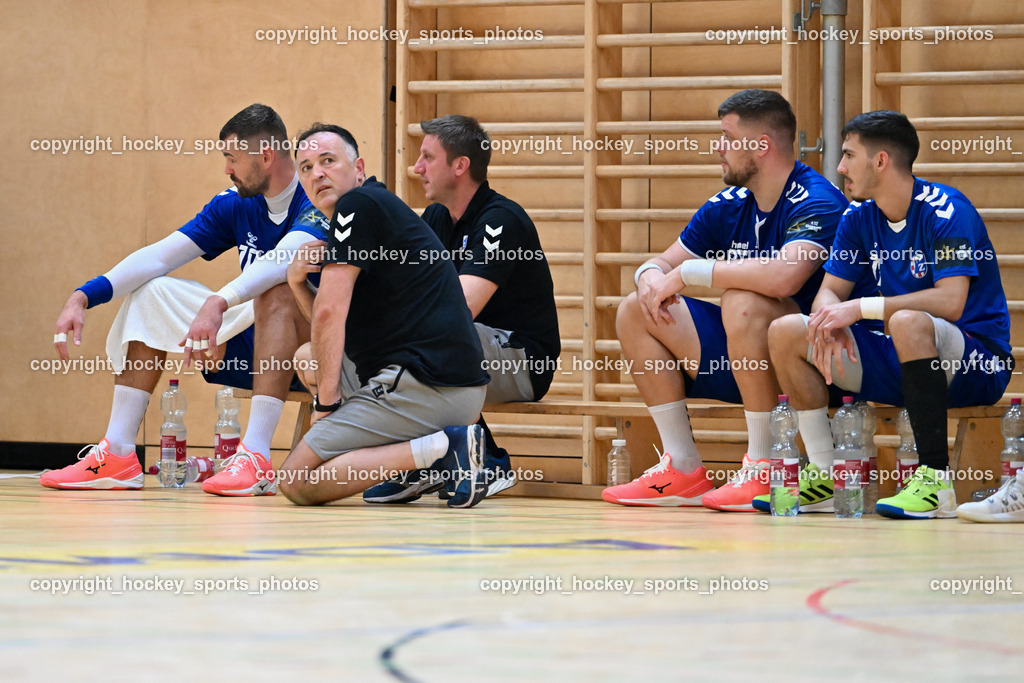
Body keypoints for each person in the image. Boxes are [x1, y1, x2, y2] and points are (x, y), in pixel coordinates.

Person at [44, 103, 326, 496]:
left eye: (232, 158)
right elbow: (160, 255)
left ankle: (257, 456)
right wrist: (83, 296)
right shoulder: (235, 203)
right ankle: (119, 454)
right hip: (246, 343)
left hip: (313, 356)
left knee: (276, 290)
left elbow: (286, 259)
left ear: (265, 156)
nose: (227, 168)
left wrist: (220, 302)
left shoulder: (317, 201)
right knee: (152, 290)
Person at [603, 89, 850, 511]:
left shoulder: (818, 200)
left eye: (727, 137)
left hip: (815, 368)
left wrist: (687, 274)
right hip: (744, 358)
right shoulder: (729, 204)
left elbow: (784, 277)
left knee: (743, 300)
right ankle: (682, 466)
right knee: (634, 309)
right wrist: (649, 277)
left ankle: (766, 465)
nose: (718, 148)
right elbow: (663, 261)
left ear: (761, 145)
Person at [767, 110, 1012, 519]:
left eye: (848, 155)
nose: (840, 167)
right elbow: (829, 291)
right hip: (906, 356)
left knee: (906, 321)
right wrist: (830, 320)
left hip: (976, 362)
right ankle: (826, 474)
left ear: (880, 161)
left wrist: (859, 309)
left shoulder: (947, 210)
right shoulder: (858, 217)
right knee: (789, 330)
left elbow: (951, 301)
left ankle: (935, 482)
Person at [275, 123, 492, 509]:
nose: (317, 173)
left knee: (295, 480)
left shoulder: (358, 206)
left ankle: (444, 449)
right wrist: (296, 284)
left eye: (327, 161)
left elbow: (328, 312)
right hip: (442, 382)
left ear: (358, 169)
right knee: (310, 356)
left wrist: (325, 409)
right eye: (306, 168)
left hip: (427, 384)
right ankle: (421, 455)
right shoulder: (369, 210)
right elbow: (337, 325)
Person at [360, 114, 561, 504]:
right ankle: (430, 461)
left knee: (437, 336)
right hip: (471, 351)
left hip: (521, 359)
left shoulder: (499, 220)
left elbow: (461, 308)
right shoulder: (436, 217)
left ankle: (489, 460)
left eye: (427, 158)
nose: (416, 168)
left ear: (460, 165)